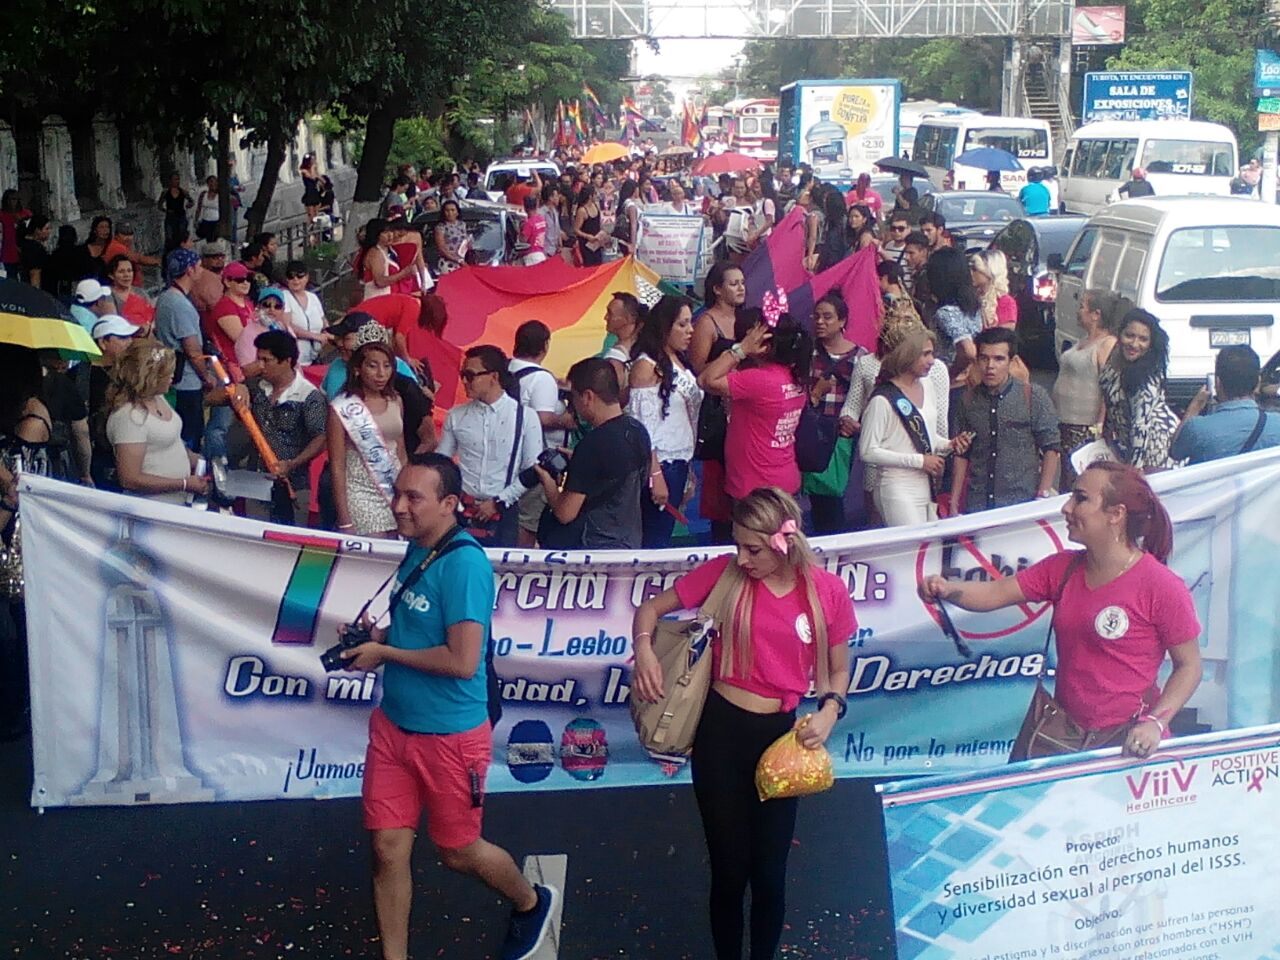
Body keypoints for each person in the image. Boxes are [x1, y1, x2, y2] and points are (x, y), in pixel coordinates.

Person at [341, 453, 557, 960]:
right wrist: (377, 638)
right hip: (394, 727)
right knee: (386, 849)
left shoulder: (464, 565)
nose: (398, 506)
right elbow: (418, 626)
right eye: (397, 494)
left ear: (449, 504)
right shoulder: (420, 547)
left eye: (413, 497)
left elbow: (462, 661)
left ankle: (529, 902)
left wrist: (384, 654)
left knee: (458, 851)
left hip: (450, 737)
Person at [631, 487, 854, 960]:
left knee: (770, 875)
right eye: (737, 545)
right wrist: (645, 649)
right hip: (721, 736)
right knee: (730, 873)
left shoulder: (826, 592)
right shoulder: (725, 574)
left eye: (752, 549)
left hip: (782, 741)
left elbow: (838, 669)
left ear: (783, 544)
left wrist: (830, 711)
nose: (742, 558)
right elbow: (649, 609)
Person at [920, 461, 1203, 759]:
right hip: (1064, 739)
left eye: (1080, 499)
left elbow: (1189, 666)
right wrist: (947, 589)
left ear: (1116, 514)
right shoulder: (1062, 569)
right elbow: (995, 592)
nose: (1066, 508)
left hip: (1128, 747)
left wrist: (1155, 723)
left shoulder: (1161, 586)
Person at [534, 357, 651, 550]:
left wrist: (548, 482)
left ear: (587, 396)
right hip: (629, 542)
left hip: (592, 548)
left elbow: (565, 513)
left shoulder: (591, 444)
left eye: (573, 397)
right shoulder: (638, 430)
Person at [436, 345, 543, 547]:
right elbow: (442, 462)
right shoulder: (456, 415)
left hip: (505, 510)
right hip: (461, 509)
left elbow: (533, 470)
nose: (464, 381)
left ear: (494, 377)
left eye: (470, 376)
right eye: (462, 375)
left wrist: (499, 502)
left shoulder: (526, 417)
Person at [859, 325, 966, 525]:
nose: (932, 360)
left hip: (925, 484)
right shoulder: (882, 399)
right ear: (907, 354)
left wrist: (950, 444)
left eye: (932, 353)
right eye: (925, 354)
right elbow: (867, 451)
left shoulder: (927, 386)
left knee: (931, 544)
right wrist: (919, 461)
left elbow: (926, 436)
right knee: (915, 543)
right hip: (896, 487)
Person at [698, 310, 810, 501]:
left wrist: (741, 349)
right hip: (784, 477)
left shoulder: (760, 380)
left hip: (755, 485)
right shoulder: (795, 377)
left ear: (766, 345)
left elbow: (706, 380)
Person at [951, 328, 1061, 513]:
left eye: (999, 359)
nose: (990, 366)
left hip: (1021, 502)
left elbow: (1051, 447)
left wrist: (1043, 494)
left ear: (1011, 361)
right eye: (984, 358)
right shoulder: (968, 400)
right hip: (978, 503)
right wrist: (954, 501)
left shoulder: (1032, 396)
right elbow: (961, 453)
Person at [627, 296, 703, 548]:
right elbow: (642, 427)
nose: (690, 330)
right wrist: (655, 474)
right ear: (664, 326)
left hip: (678, 461)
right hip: (660, 464)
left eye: (690, 323)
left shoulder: (678, 361)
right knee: (654, 540)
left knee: (662, 535)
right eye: (682, 324)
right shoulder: (646, 366)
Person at [240, 330, 328, 526]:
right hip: (255, 480)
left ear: (287, 361)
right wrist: (240, 387)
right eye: (258, 359)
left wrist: (293, 463)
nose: (260, 365)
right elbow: (211, 398)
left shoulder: (309, 395)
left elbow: (321, 437)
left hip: (294, 484)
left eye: (266, 360)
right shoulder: (256, 387)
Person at [105, 340, 208, 504]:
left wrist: (197, 459)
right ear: (151, 376)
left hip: (176, 503)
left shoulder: (159, 398)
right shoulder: (129, 417)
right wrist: (183, 484)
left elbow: (169, 442)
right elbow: (130, 478)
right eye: (167, 372)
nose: (172, 376)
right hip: (151, 506)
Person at [327, 341, 408, 538]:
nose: (381, 373)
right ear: (357, 369)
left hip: (394, 486)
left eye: (387, 366)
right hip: (359, 489)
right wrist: (344, 519)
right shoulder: (342, 407)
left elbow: (401, 450)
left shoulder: (396, 401)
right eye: (373, 366)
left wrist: (407, 491)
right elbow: (337, 466)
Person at [690, 262, 746, 542]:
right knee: (720, 492)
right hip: (716, 412)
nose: (741, 288)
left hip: (745, 407)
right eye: (734, 283)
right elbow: (697, 369)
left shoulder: (747, 319)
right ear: (717, 289)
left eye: (742, 282)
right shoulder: (706, 322)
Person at [509, 321, 575, 547]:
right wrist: (565, 420)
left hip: (509, 454)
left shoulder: (507, 370)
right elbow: (543, 418)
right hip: (537, 460)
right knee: (529, 522)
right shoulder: (541, 378)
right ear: (545, 345)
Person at [804, 294, 862, 534]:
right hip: (814, 434)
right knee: (820, 496)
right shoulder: (806, 353)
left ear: (842, 321)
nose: (820, 322)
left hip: (845, 436)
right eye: (816, 316)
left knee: (845, 496)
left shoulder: (861, 357)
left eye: (827, 317)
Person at [1052, 289, 1120, 488]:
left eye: (1082, 306)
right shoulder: (1082, 341)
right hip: (1065, 423)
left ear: (1096, 314)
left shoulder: (1106, 344)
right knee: (1066, 477)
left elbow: (1108, 386)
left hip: (1084, 427)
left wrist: (1099, 423)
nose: (1078, 311)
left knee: (1078, 478)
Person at [1170, 345, 1280, 464]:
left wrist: (1194, 408)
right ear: (1258, 382)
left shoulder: (1197, 428)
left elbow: (1175, 452)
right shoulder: (1277, 424)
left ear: (1217, 382)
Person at [1100, 309, 1180, 472]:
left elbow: (1140, 426)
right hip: (1127, 445)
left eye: (1143, 339)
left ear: (1151, 344)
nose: (1134, 344)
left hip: (1155, 447)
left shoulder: (1146, 378)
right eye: (1129, 335)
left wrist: (1135, 470)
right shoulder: (1113, 363)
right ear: (1120, 334)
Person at [153, 248, 209, 452]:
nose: (201, 270)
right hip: (186, 380)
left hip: (174, 375)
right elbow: (192, 349)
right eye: (199, 266)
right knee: (191, 436)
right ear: (190, 270)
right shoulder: (179, 305)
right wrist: (206, 376)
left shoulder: (165, 298)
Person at [87, 315, 141, 489]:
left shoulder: (131, 374)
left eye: (130, 337)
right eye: (123, 337)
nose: (129, 342)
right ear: (103, 342)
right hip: (96, 452)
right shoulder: (82, 376)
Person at [927, 247, 982, 387]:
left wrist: (951, 374)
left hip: (950, 381)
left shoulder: (946, 313)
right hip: (972, 379)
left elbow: (968, 351)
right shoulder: (973, 306)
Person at [234, 287, 296, 380]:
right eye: (266, 305)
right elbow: (247, 371)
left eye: (277, 306)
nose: (271, 309)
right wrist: (270, 362)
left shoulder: (285, 328)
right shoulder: (248, 332)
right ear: (258, 307)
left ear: (283, 309)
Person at [281, 260, 329, 365]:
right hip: (297, 359)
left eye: (299, 276)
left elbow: (323, 320)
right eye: (291, 276)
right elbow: (287, 326)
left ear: (306, 277)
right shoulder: (284, 296)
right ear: (287, 279)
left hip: (316, 355)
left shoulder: (313, 297)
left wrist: (326, 333)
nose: (295, 280)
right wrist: (314, 336)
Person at [602, 290, 644, 399]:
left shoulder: (615, 357)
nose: (605, 317)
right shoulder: (646, 349)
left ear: (629, 319)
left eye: (610, 313)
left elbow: (612, 397)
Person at [359, 218, 414, 298]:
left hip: (390, 297)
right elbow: (380, 281)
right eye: (385, 232)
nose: (390, 235)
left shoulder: (390, 250)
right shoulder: (375, 253)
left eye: (390, 231)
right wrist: (402, 274)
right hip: (378, 299)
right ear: (376, 235)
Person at [105, 255, 155, 331]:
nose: (126, 275)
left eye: (129, 271)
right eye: (121, 271)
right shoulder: (108, 294)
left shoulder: (141, 292)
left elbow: (152, 315)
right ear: (111, 275)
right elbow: (113, 323)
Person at [969, 250, 1016, 329]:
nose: (970, 273)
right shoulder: (971, 297)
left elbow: (1006, 334)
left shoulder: (1005, 301)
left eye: (974, 269)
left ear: (990, 271)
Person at [573, 184, 608, 267]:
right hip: (587, 244)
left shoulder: (595, 205)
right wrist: (587, 236)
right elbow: (576, 229)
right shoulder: (582, 211)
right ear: (590, 196)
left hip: (597, 242)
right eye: (595, 194)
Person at [157, 173, 193, 254]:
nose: (177, 181)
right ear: (170, 181)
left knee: (182, 235)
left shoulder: (183, 192)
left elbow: (191, 201)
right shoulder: (166, 192)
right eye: (175, 179)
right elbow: (159, 205)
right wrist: (166, 211)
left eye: (178, 179)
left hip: (181, 216)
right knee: (169, 237)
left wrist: (188, 205)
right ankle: (169, 254)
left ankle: (182, 253)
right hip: (170, 217)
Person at [433, 201, 469, 275]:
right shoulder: (440, 227)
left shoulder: (462, 224)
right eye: (447, 210)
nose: (450, 213)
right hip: (448, 263)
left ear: (457, 212)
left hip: (463, 260)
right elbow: (441, 249)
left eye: (452, 210)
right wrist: (457, 260)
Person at [17, 215, 50, 289]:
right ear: (37, 230)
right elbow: (35, 274)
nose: (49, 232)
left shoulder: (26, 245)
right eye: (46, 229)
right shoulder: (34, 249)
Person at [518, 195, 548, 265]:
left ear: (525, 208)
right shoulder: (541, 219)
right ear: (536, 206)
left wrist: (520, 230)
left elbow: (522, 241)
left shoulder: (529, 223)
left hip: (531, 256)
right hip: (541, 254)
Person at [193, 175, 222, 242]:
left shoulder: (220, 195)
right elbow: (198, 208)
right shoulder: (203, 194)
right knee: (207, 240)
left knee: (215, 240)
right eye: (211, 182)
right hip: (205, 221)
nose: (213, 184)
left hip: (216, 221)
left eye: (215, 182)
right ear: (208, 184)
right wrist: (196, 220)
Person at [300, 154, 322, 227]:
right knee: (311, 214)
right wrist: (313, 167)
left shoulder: (314, 170)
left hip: (315, 192)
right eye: (312, 160)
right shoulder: (304, 171)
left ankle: (318, 228)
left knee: (316, 213)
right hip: (309, 193)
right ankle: (310, 228)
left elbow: (319, 178)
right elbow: (312, 177)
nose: (313, 161)